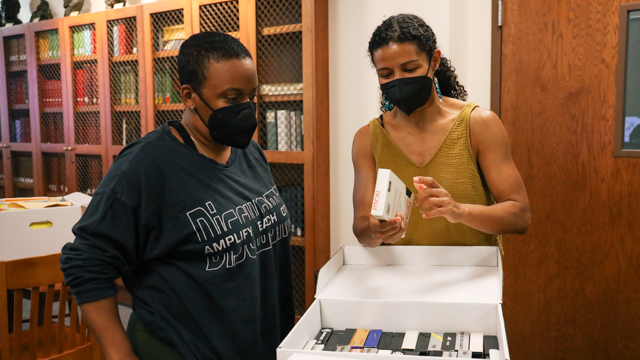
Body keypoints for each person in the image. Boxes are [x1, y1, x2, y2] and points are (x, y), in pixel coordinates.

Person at [60, 32, 294, 360]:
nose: (246, 109)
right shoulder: (145, 166)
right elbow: (86, 261)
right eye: (231, 97)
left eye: (250, 95)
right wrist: (118, 355)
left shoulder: (249, 152)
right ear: (188, 95)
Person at [352, 14, 531, 249]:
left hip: (470, 276)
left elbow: (519, 216)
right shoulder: (368, 138)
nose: (398, 80)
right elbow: (361, 229)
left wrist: (460, 211)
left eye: (410, 69)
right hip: (398, 277)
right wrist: (375, 231)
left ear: (434, 61)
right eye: (386, 74)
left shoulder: (478, 124)